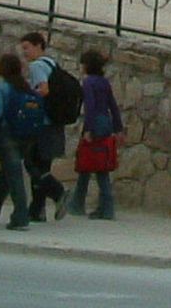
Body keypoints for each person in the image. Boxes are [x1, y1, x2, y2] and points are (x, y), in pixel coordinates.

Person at [0, 54, 33, 230]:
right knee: (7, 174)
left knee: (14, 176)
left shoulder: (1, 87)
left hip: (7, 134)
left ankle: (21, 217)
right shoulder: (26, 87)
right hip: (26, 136)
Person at [67, 50, 122, 220]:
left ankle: (101, 208)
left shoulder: (88, 83)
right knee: (97, 164)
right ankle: (80, 202)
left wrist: (88, 129)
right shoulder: (104, 82)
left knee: (91, 165)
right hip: (105, 122)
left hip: (94, 124)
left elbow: (89, 106)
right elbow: (112, 105)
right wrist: (118, 127)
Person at [18, 31, 67, 221]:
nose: (25, 52)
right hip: (54, 121)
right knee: (42, 164)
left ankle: (58, 192)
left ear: (38, 45)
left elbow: (44, 90)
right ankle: (37, 210)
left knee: (31, 163)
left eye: (27, 48)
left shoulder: (37, 66)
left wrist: (28, 95)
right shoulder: (51, 63)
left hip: (42, 122)